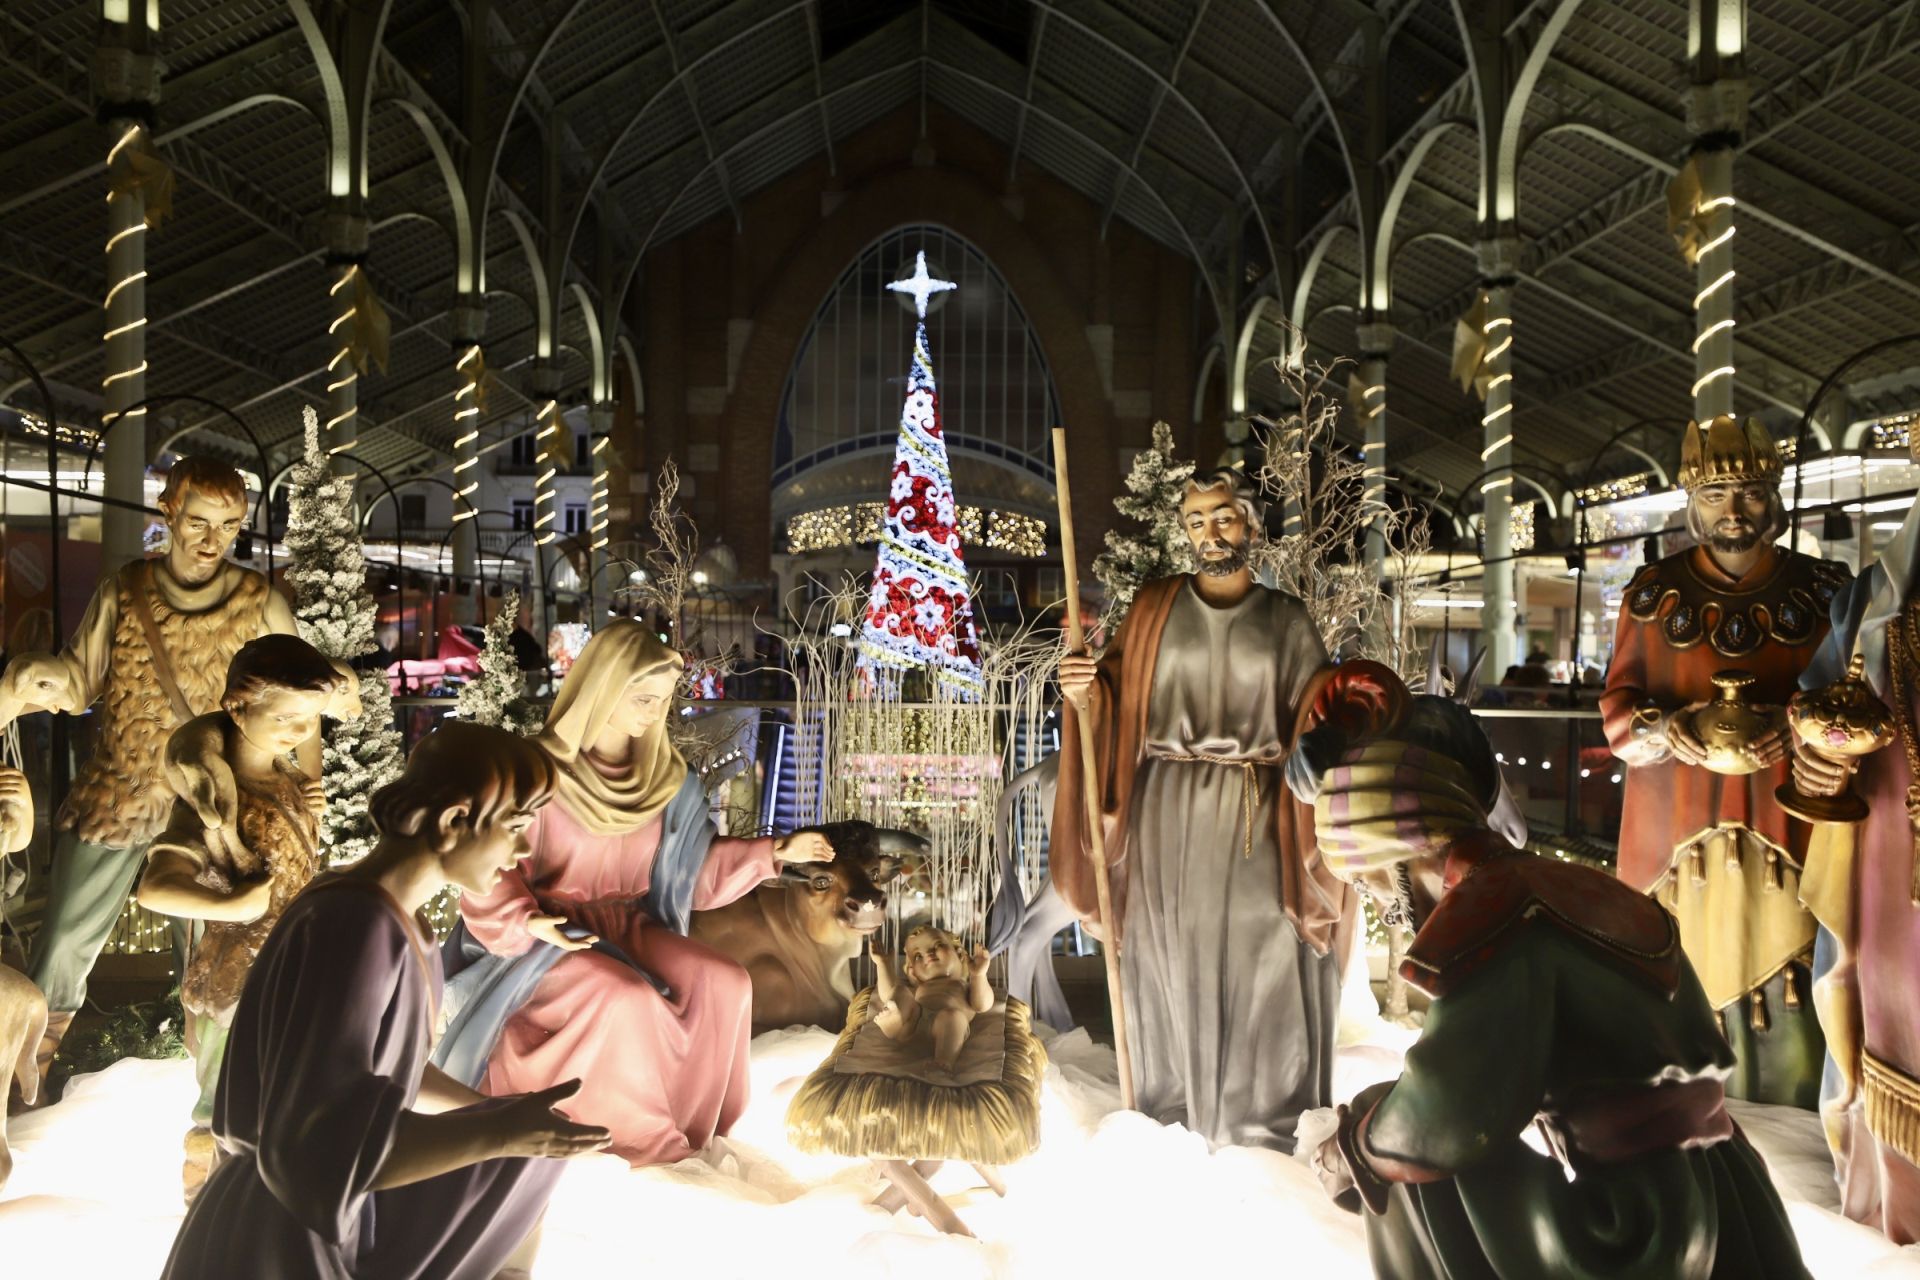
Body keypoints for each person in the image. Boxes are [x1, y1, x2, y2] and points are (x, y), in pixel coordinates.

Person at [1291, 662, 1811, 1280]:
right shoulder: (1574, 885)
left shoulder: (1495, 912)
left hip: (1639, 1234)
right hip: (1728, 1196)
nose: (1378, 903)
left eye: (1369, 882)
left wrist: (1350, 1146)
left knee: (1396, 1146)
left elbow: (1446, 1118)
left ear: (1391, 847)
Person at [160, 722, 610, 1279]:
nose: (521, 851)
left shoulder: (396, 921)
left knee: (522, 1167)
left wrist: (499, 1118)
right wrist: (498, 1131)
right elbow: (318, 1143)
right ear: (454, 822)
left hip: (324, 1216)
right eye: (516, 827)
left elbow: (389, 1077)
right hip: (280, 1240)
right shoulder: (355, 922)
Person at [0, 457, 355, 1087]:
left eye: (227, 525)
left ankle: (214, 1089)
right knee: (64, 936)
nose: (210, 538)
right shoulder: (124, 589)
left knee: (214, 945)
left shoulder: (259, 600)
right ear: (169, 513)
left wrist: (308, 778)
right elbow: (82, 678)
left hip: (222, 797)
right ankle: (31, 1067)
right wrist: (44, 676)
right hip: (125, 785)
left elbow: (303, 700)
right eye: (198, 520)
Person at [440, 621, 838, 1166]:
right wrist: (527, 921)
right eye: (644, 698)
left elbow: (689, 871)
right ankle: (634, 1140)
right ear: (602, 687)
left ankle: (696, 1129)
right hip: (547, 935)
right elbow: (487, 862)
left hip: (628, 924)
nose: (654, 712)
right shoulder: (532, 774)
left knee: (725, 982)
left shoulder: (664, 782)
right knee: (624, 999)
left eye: (663, 700)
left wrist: (775, 853)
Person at [1055, 466, 1353, 1152]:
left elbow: (1321, 711)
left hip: (1258, 808)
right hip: (1166, 808)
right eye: (1195, 522)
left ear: (1248, 522)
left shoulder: (1286, 620)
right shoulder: (1156, 606)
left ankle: (1262, 1118)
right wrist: (1085, 689)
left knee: (1263, 945)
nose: (1209, 533)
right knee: (1170, 948)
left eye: (1222, 517)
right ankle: (1176, 1108)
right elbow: (1115, 698)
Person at [1600, 416, 1849, 1107]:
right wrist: (1669, 726)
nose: (1733, 512)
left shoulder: (1830, 591)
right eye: (1716, 497)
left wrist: (1794, 724)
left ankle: (1799, 1139)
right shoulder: (1650, 595)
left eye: (1749, 493)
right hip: (1674, 842)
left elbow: (1857, 706)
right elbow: (1619, 705)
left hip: (1795, 831)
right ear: (1691, 503)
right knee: (1679, 992)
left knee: (1802, 1001)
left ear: (1774, 497)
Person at [138, 634, 347, 1193]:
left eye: (309, 719)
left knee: (287, 1087)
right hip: (239, 978)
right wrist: (229, 903)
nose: (299, 732)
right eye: (285, 717)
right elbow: (156, 888)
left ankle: (264, 1193)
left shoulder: (290, 783)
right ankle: (210, 1199)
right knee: (227, 1098)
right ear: (237, 708)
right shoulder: (213, 806)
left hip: (295, 969)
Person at [1791, 421, 1920, 1242]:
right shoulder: (1875, 597)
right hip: (1893, 849)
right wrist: (1823, 748)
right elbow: (1815, 708)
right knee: (1894, 1007)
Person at [872, 925, 993, 1070]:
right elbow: (888, 994)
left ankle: (943, 1061)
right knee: (900, 991)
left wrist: (978, 975)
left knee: (953, 1017)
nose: (927, 954)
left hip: (945, 1028)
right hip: (914, 1022)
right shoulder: (920, 988)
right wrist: (883, 964)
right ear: (913, 972)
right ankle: (895, 1023)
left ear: (959, 954)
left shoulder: (964, 986)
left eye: (937, 945)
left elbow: (982, 1005)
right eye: (917, 956)